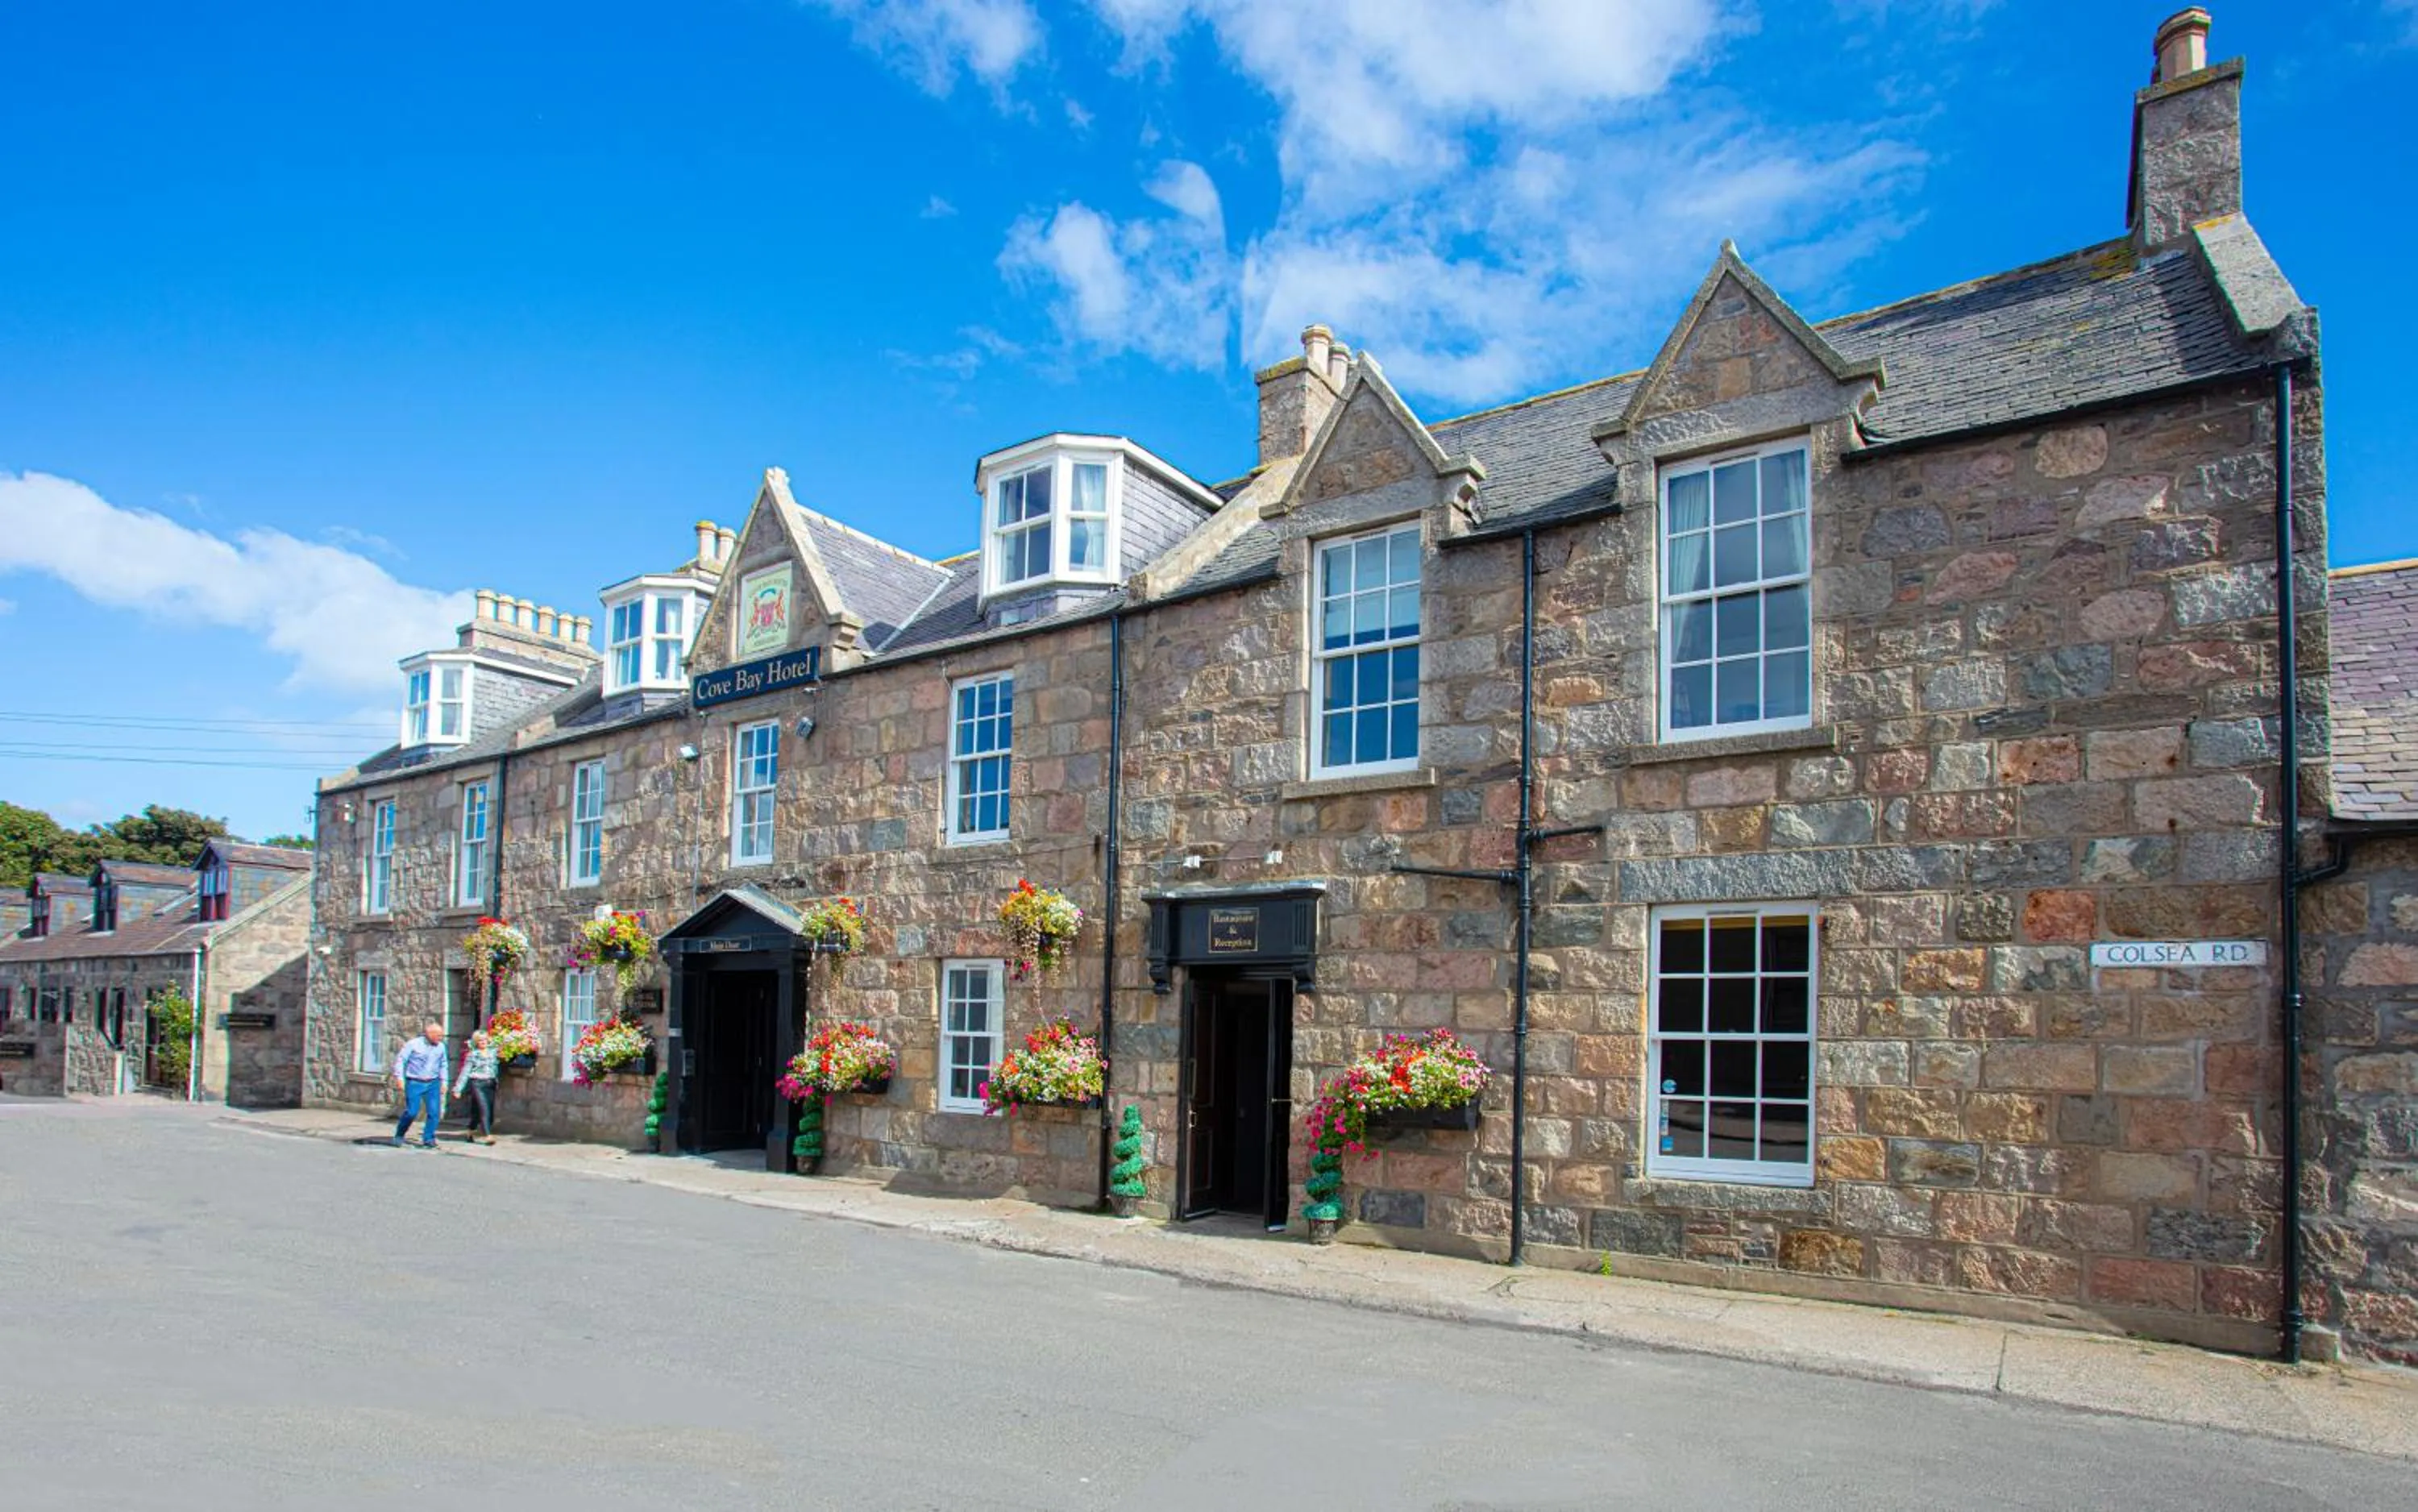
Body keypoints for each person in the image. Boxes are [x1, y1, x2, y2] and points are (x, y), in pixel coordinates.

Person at [390, 1021, 448, 1149]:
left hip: (433, 1082)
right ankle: (399, 1134)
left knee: (434, 1112)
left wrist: (444, 1082)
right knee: (412, 1112)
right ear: (430, 1034)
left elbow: (443, 1064)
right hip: (415, 1081)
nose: (441, 1038)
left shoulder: (441, 1047)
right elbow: (401, 1060)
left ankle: (429, 1138)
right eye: (439, 1035)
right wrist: (400, 1078)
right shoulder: (414, 1044)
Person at [453, 1030, 498, 1144]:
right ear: (476, 1042)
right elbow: (465, 1072)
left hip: (490, 1083)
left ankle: (470, 1131)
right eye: (480, 1040)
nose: (483, 1042)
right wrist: (458, 1089)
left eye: (484, 1039)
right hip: (477, 1084)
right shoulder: (473, 1055)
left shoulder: (493, 1052)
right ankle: (488, 1136)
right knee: (484, 1110)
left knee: (481, 1112)